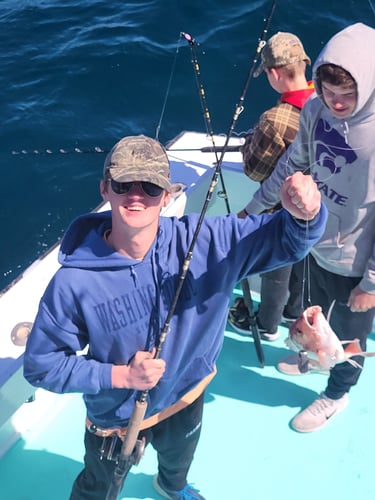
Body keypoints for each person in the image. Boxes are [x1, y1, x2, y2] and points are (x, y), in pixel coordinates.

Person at [23, 134, 326, 499]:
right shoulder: (73, 282)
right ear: (105, 189)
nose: (136, 194)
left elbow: (290, 241)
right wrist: (121, 375)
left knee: (178, 462)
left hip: (188, 392)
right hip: (116, 418)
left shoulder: (209, 240)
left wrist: (307, 212)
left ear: (167, 196)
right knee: (99, 485)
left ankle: (171, 487)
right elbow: (41, 365)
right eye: (123, 183)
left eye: (150, 186)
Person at [241, 22, 375, 433]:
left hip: (356, 259)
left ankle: (337, 394)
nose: (336, 103)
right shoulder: (314, 109)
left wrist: (370, 284)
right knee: (318, 316)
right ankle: (316, 359)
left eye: (346, 95)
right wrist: (254, 208)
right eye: (329, 92)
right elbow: (292, 164)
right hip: (315, 241)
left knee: (350, 337)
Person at [228, 31, 315, 341]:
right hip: (317, 207)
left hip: (282, 208)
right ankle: (296, 312)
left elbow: (255, 170)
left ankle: (266, 325)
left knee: (277, 266)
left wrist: (249, 143)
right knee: (303, 259)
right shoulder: (325, 101)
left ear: (274, 73)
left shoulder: (274, 119)